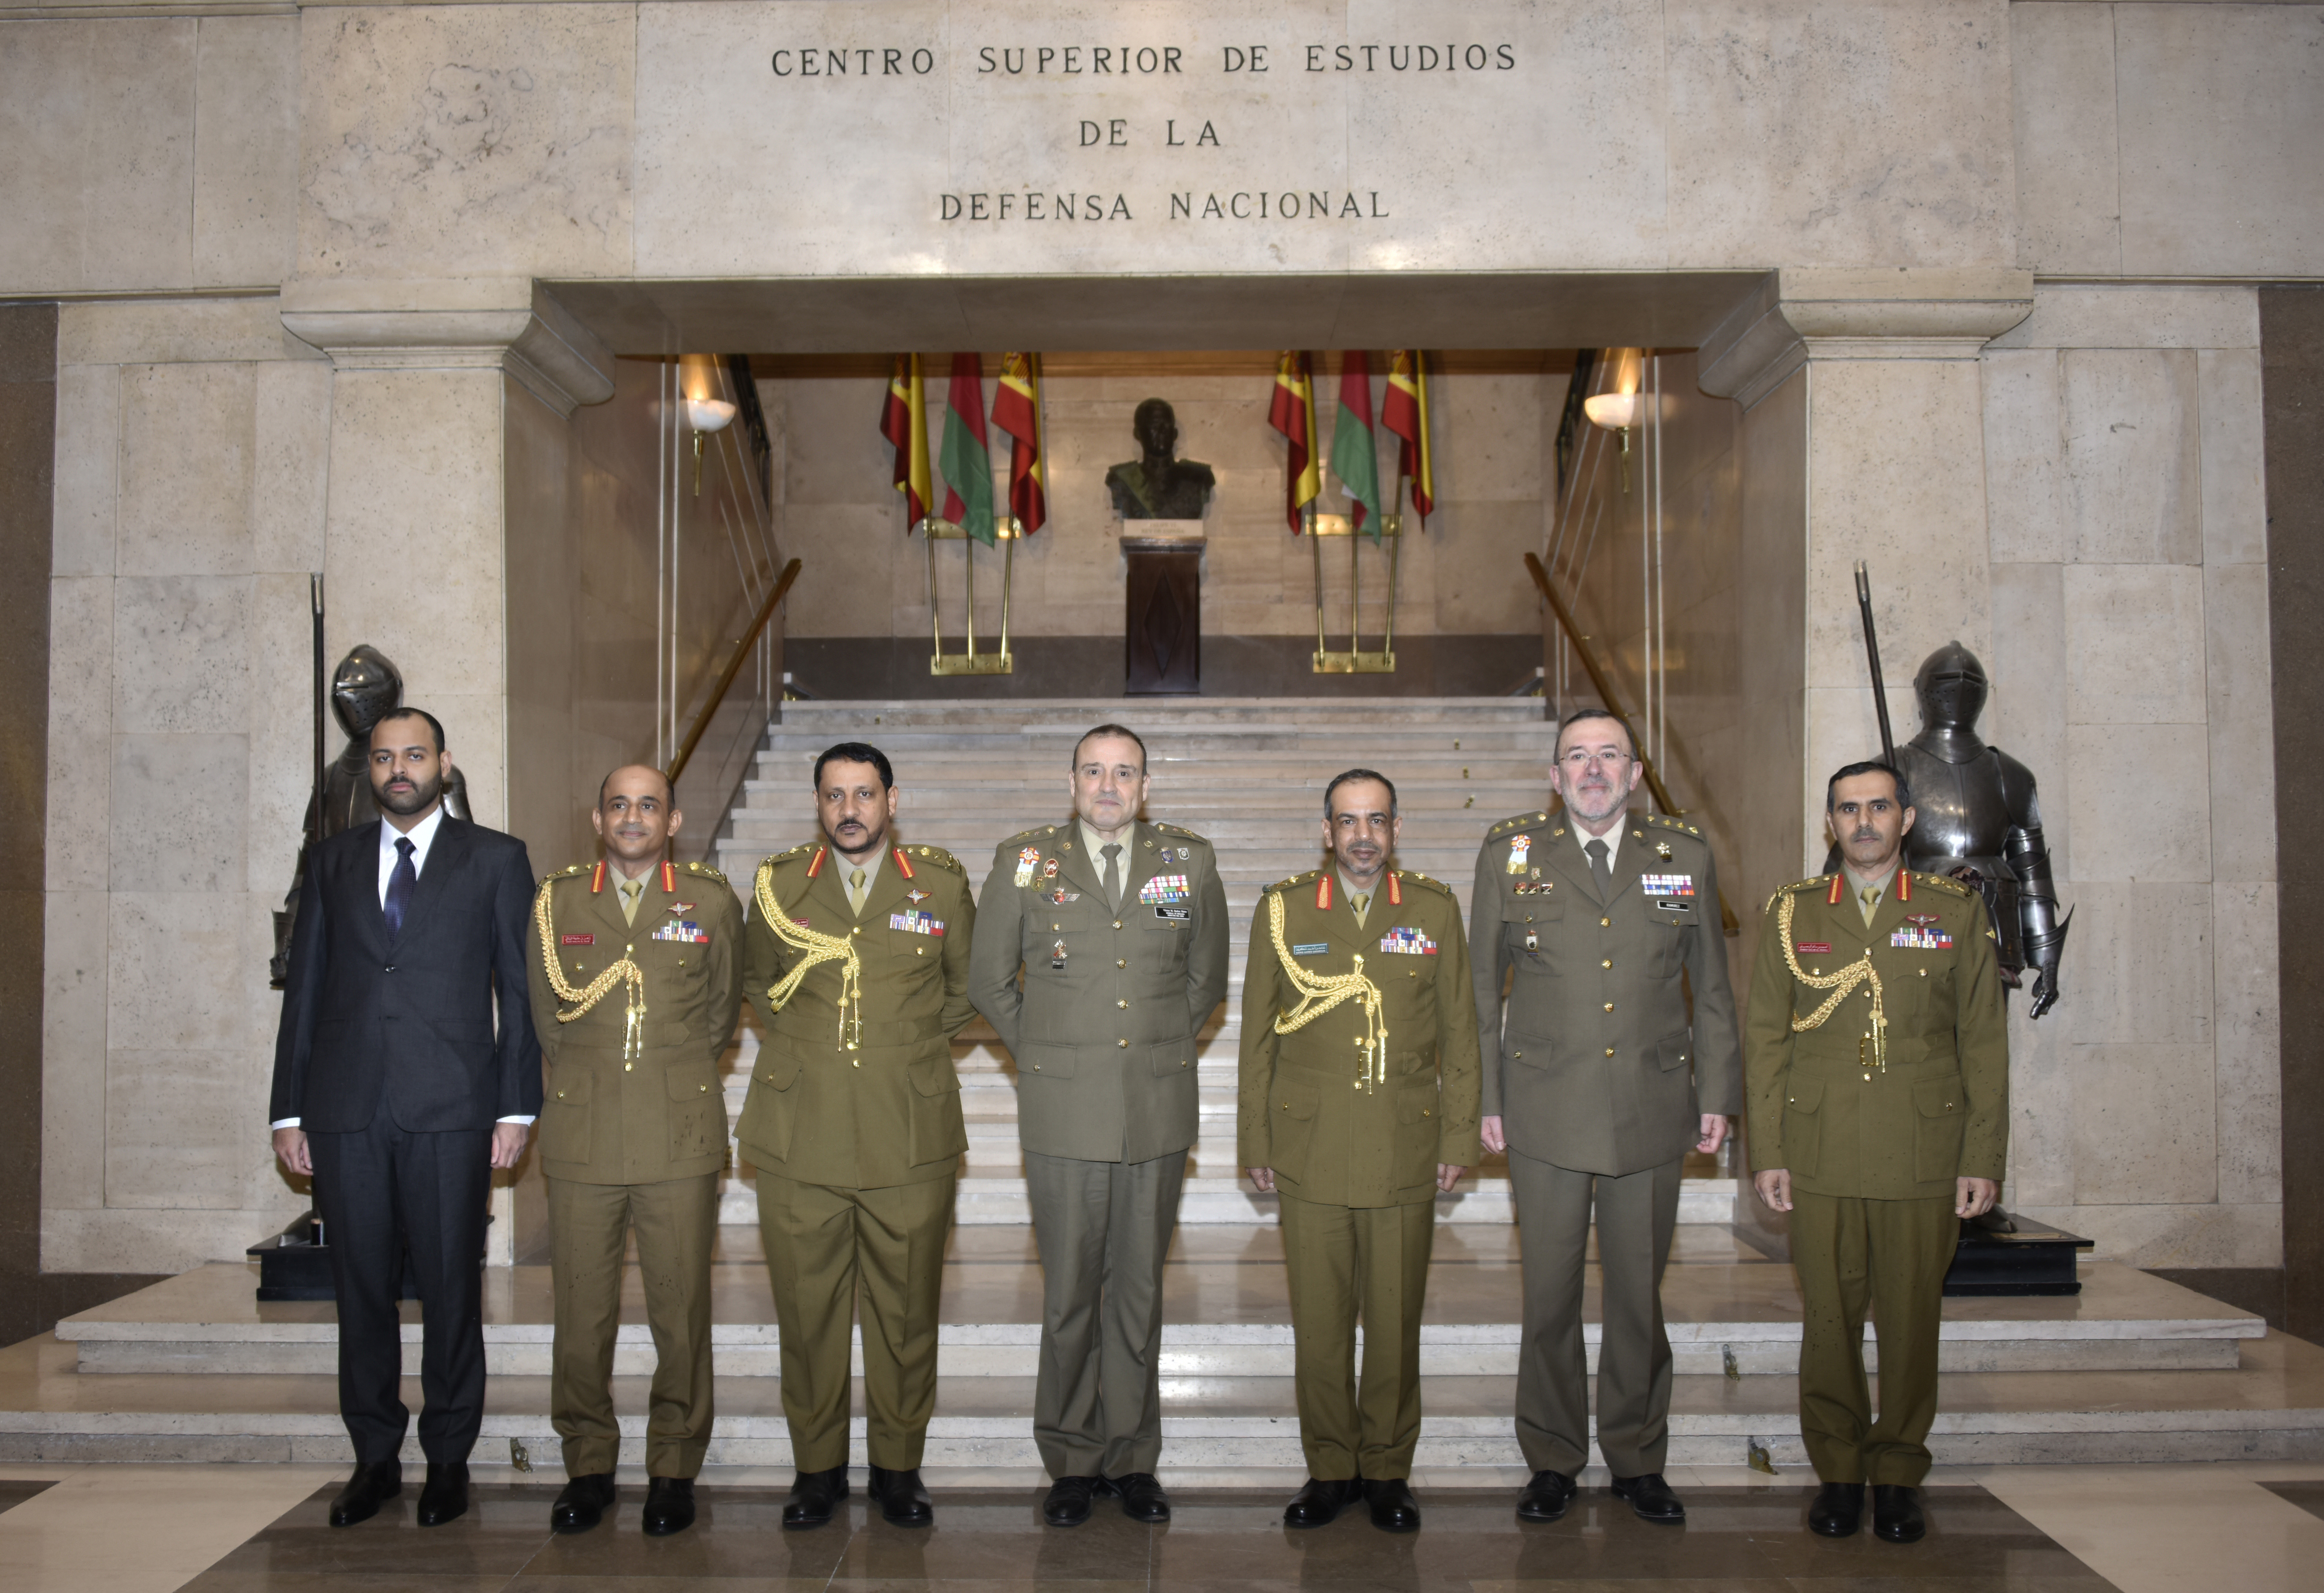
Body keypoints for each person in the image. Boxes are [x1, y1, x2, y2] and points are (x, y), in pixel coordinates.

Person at [268, 706, 541, 1529]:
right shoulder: (330, 862)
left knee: (453, 1289)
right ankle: (375, 1457)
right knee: (361, 1291)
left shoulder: (496, 859)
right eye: (385, 757)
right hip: (347, 1110)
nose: (398, 769)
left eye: (414, 755)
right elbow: (306, 991)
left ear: (444, 764)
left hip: (453, 1109)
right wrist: (289, 1109)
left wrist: (515, 1103)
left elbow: (519, 995)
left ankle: (449, 1458)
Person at [1469, 707, 1741, 1525]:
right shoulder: (1510, 854)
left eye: (1609, 756)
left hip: (1652, 1110)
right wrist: (1487, 1098)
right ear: (1554, 778)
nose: (1593, 770)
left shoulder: (1683, 855)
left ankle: (1636, 1455)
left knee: (1636, 1294)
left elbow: (1716, 993)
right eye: (1577, 757)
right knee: (1548, 1294)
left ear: (1633, 773)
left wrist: (1718, 1095)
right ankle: (1552, 1455)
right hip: (1544, 1112)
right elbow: (1482, 990)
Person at [968, 724, 1229, 1527]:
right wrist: (1048, 1053)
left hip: (1153, 1107)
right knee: (1072, 1292)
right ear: (1072, 780)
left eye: (1124, 773)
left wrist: (1147, 1052)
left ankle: (1133, 1457)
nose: (1108, 786)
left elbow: (1206, 980)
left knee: (1140, 1289)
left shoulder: (1188, 861)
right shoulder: (1026, 860)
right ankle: (1072, 1458)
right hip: (1063, 1109)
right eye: (1094, 772)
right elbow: (988, 981)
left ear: (1146, 786)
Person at [1746, 761, 2007, 1544]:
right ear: (1831, 824)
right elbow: (1764, 1040)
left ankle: (1897, 1470)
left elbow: (1984, 1045)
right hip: (1821, 1146)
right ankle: (1838, 1470)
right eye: (1848, 809)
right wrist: (1771, 1151)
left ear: (1908, 819)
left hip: (1922, 1149)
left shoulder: (1953, 910)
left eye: (1878, 807)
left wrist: (1982, 1157)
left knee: (1909, 1318)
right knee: (1828, 1319)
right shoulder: (1793, 914)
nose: (1864, 821)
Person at [736, 742, 977, 1530]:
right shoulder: (778, 884)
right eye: (835, 795)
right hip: (801, 1126)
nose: (850, 810)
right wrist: (813, 1049)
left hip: (908, 1126)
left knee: (907, 1307)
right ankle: (817, 1468)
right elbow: (758, 986)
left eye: (864, 794)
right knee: (807, 1309)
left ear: (891, 801)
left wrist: (898, 1046)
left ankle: (899, 1467)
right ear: (818, 804)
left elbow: (964, 992)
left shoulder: (937, 883)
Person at [1237, 769, 1480, 1534]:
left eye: (1377, 821)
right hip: (1309, 1146)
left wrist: (1459, 1135)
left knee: (1395, 1317)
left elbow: (1462, 1034)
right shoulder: (1282, 909)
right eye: (1349, 822)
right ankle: (1330, 1467)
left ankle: (1387, 1469)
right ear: (1327, 831)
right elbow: (1253, 1038)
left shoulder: (1434, 908)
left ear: (1397, 830)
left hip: (1404, 1145)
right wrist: (1256, 1138)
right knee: (1320, 1320)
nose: (1363, 836)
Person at [526, 765, 741, 1538]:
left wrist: (666, 1072)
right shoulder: (556, 901)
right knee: (582, 1315)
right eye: (619, 804)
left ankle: (674, 1465)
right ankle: (588, 1461)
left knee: (681, 1312)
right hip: (583, 1136)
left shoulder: (711, 899)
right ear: (597, 817)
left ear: (673, 821)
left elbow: (720, 1014)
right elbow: (547, 1018)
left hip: (678, 1135)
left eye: (648, 805)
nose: (632, 816)